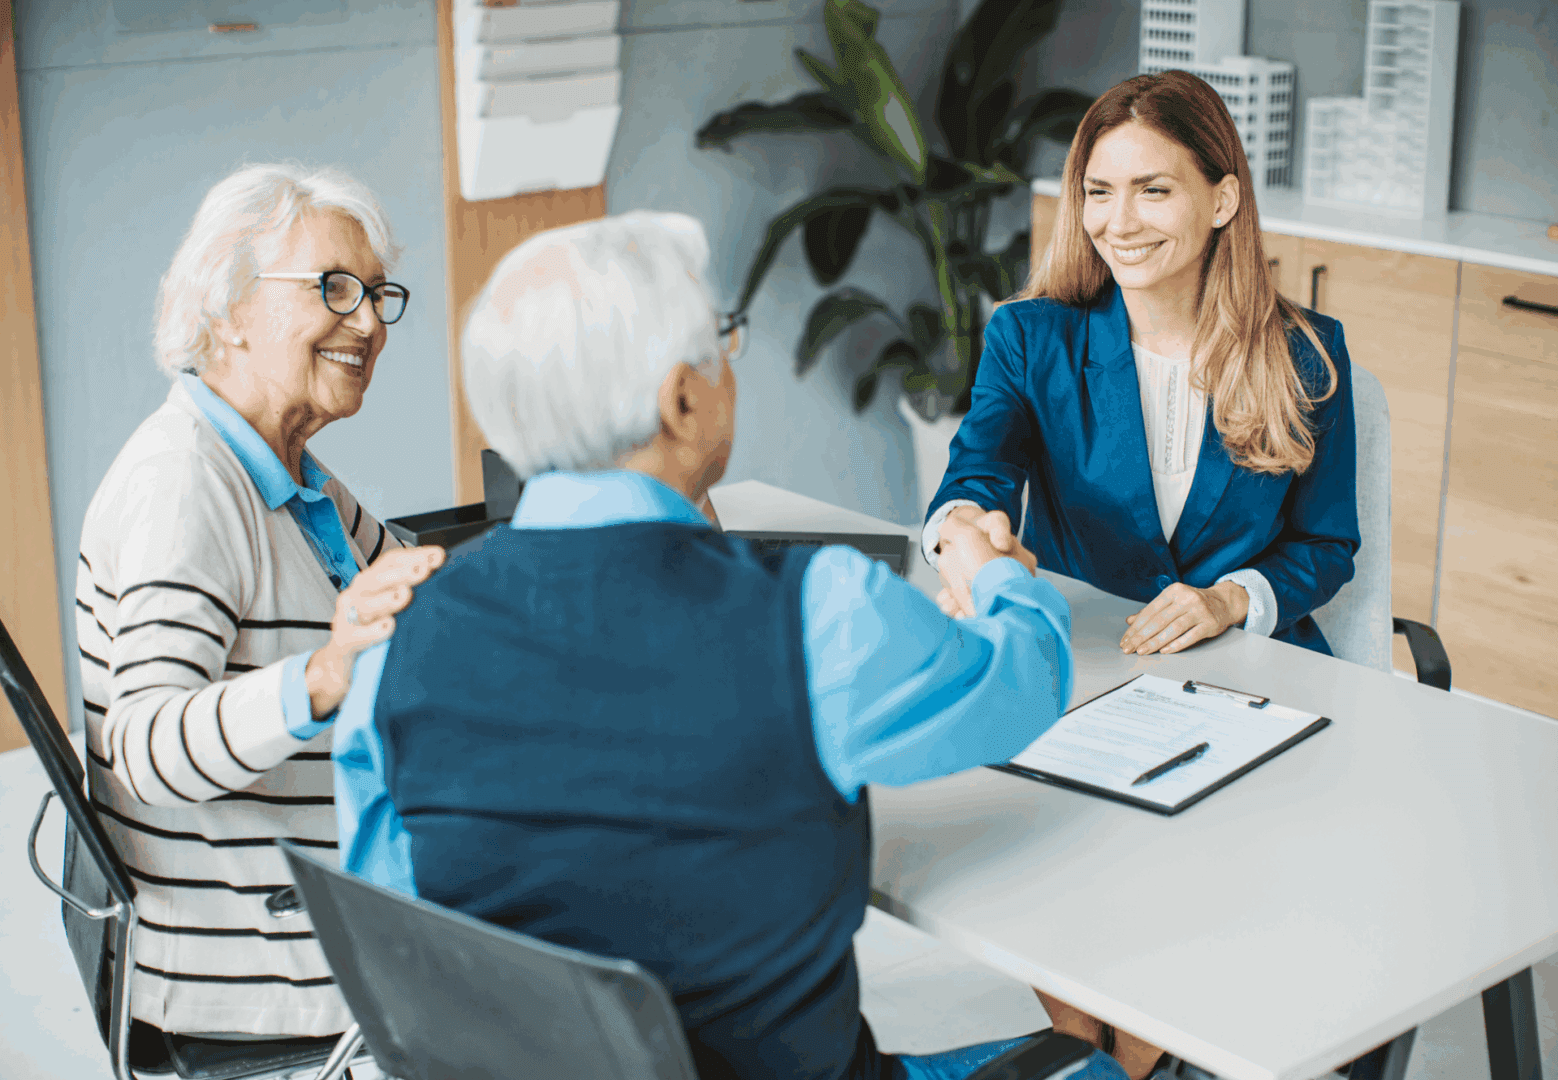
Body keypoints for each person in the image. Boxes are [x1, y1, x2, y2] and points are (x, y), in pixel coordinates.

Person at [331, 212, 1166, 1080]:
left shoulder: (398, 642)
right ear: (680, 398)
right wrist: (998, 575)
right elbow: (1020, 686)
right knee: (1104, 1061)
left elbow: (403, 925)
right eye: (721, 340)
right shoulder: (820, 612)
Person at [74, 163, 443, 1044]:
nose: (367, 321)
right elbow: (146, 747)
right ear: (226, 310)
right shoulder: (186, 483)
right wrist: (321, 677)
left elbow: (423, 584)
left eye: (378, 293)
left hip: (320, 939)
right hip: (263, 978)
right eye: (334, 288)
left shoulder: (292, 482)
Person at [925, 71, 1360, 657]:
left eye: (1153, 190)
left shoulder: (1306, 353)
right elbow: (979, 474)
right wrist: (966, 531)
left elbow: (1325, 543)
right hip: (1089, 656)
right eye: (1099, 192)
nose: (1120, 223)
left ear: (1222, 200)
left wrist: (1229, 600)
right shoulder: (1029, 338)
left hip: (1253, 664)